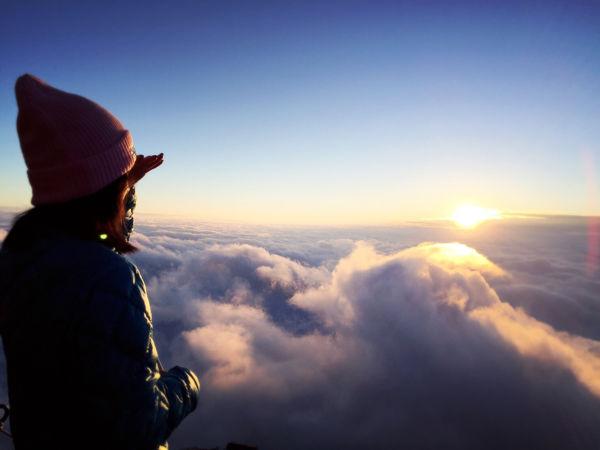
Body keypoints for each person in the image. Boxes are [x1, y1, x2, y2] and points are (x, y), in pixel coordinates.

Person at [0, 74, 200, 449]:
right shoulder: (111, 279)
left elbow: (102, 235)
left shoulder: (20, 253)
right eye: (123, 176)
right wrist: (186, 385)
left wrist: (127, 182)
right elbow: (138, 427)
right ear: (104, 189)